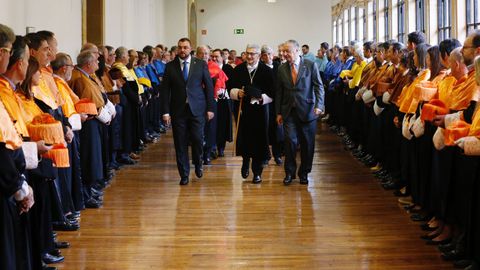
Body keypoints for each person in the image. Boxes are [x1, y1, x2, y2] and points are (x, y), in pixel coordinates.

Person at [161, 38, 214, 185]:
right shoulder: (170, 66)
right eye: (180, 48)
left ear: (191, 49)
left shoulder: (200, 64)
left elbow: (209, 87)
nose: (182, 50)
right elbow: (165, 90)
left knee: (197, 139)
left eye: (185, 47)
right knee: (180, 143)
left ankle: (198, 163)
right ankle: (184, 174)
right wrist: (165, 112)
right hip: (178, 111)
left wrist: (210, 108)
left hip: (197, 109)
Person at [276, 39, 324, 185]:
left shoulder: (310, 65)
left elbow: (318, 86)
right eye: (283, 51)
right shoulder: (281, 68)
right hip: (288, 111)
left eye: (287, 51)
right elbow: (279, 92)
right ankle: (289, 173)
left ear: (297, 51)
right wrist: (278, 112)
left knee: (307, 144)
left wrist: (319, 105)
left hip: (308, 110)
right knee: (290, 141)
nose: (284, 54)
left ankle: (304, 172)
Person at [229, 44, 274, 183]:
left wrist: (261, 98)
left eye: (253, 54)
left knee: (259, 140)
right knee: (245, 138)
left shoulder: (267, 71)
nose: (249, 56)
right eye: (247, 53)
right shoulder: (239, 69)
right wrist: (237, 92)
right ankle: (245, 161)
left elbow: (273, 92)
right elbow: (229, 87)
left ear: (259, 56)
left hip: (261, 110)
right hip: (243, 110)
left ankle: (257, 172)